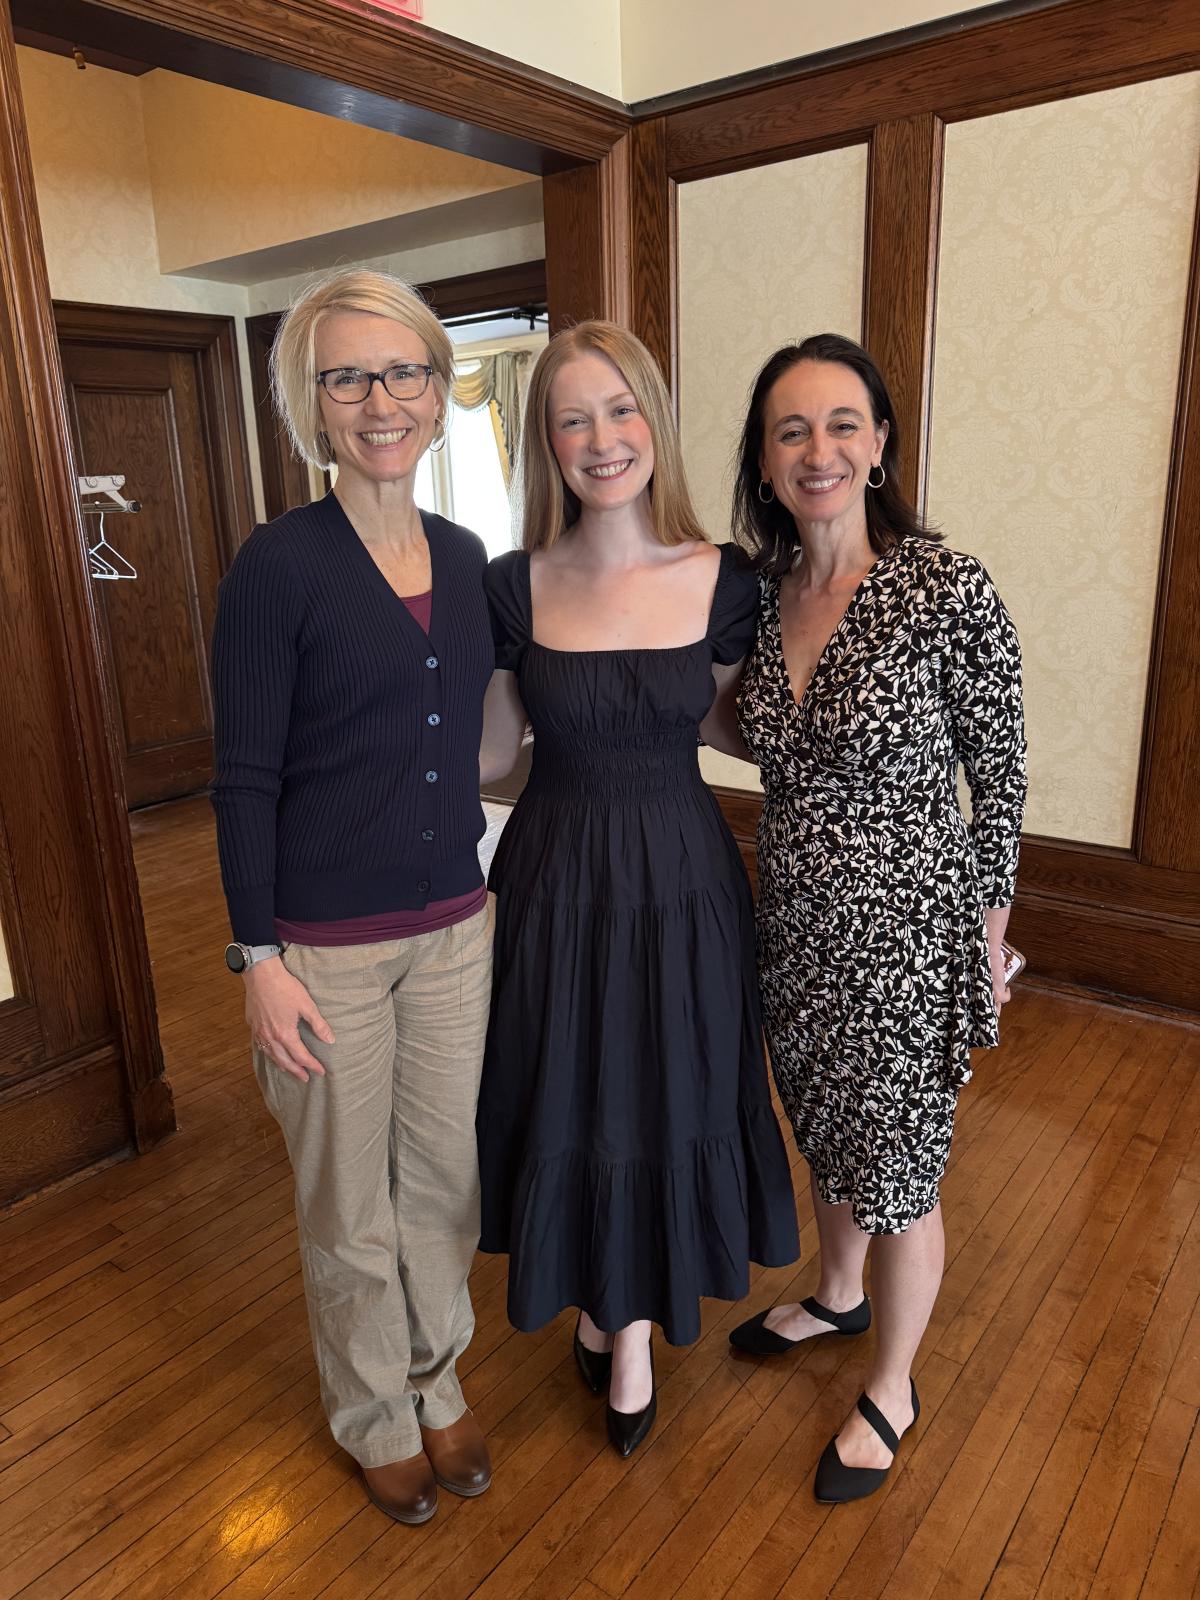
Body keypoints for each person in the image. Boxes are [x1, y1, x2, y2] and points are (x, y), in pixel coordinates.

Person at [477, 321, 799, 1460]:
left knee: (670, 1088)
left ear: (652, 424)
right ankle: (603, 1306)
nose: (600, 438)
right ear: (546, 442)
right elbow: (489, 756)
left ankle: (628, 1335)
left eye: (619, 411)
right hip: (554, 880)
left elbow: (725, 722)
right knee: (570, 1089)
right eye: (573, 416)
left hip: (681, 878)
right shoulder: (509, 587)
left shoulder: (728, 580)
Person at [210, 267, 495, 1525]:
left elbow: (477, 740)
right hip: (319, 948)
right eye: (347, 376)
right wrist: (255, 956)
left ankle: (440, 1383)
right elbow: (242, 777)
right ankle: (375, 1406)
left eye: (403, 371)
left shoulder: (469, 557)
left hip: (454, 930)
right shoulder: (279, 566)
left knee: (441, 1180)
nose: (379, 398)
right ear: (312, 404)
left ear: (440, 391)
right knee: (345, 1197)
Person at [728, 333, 1026, 1504]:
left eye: (843, 423)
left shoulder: (943, 586)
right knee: (828, 1123)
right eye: (792, 428)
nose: (820, 449)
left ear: (882, 443)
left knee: (899, 1163)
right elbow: (744, 732)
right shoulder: (760, 598)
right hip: (794, 921)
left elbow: (998, 780)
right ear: (763, 460)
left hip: (909, 934)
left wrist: (988, 936)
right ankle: (837, 1291)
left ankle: (892, 1383)